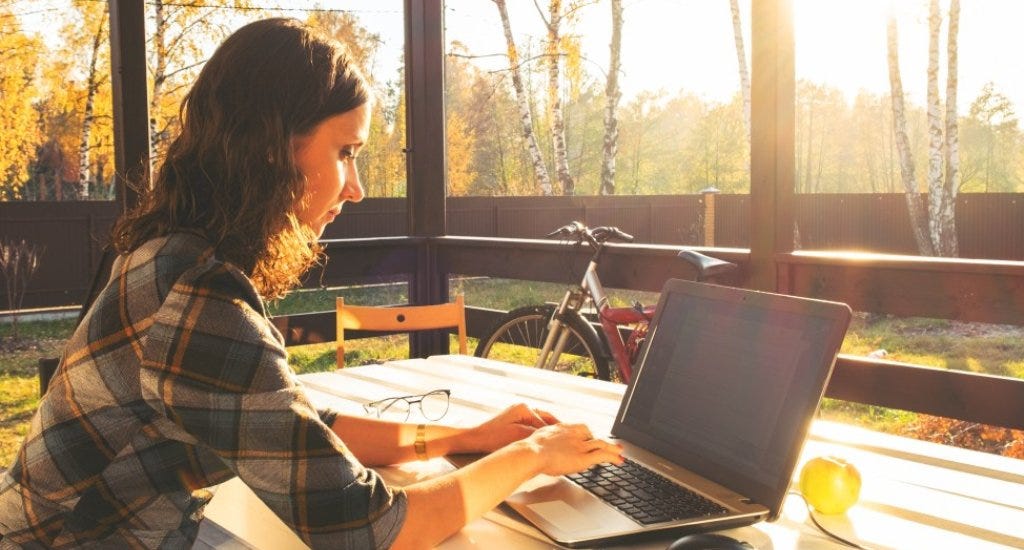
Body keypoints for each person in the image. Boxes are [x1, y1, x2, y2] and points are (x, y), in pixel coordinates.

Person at [0, 18, 622, 550]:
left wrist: (469, 437)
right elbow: (372, 532)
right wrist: (534, 455)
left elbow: (297, 426)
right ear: (274, 150)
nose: (355, 188)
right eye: (346, 151)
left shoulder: (171, 256)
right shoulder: (197, 295)